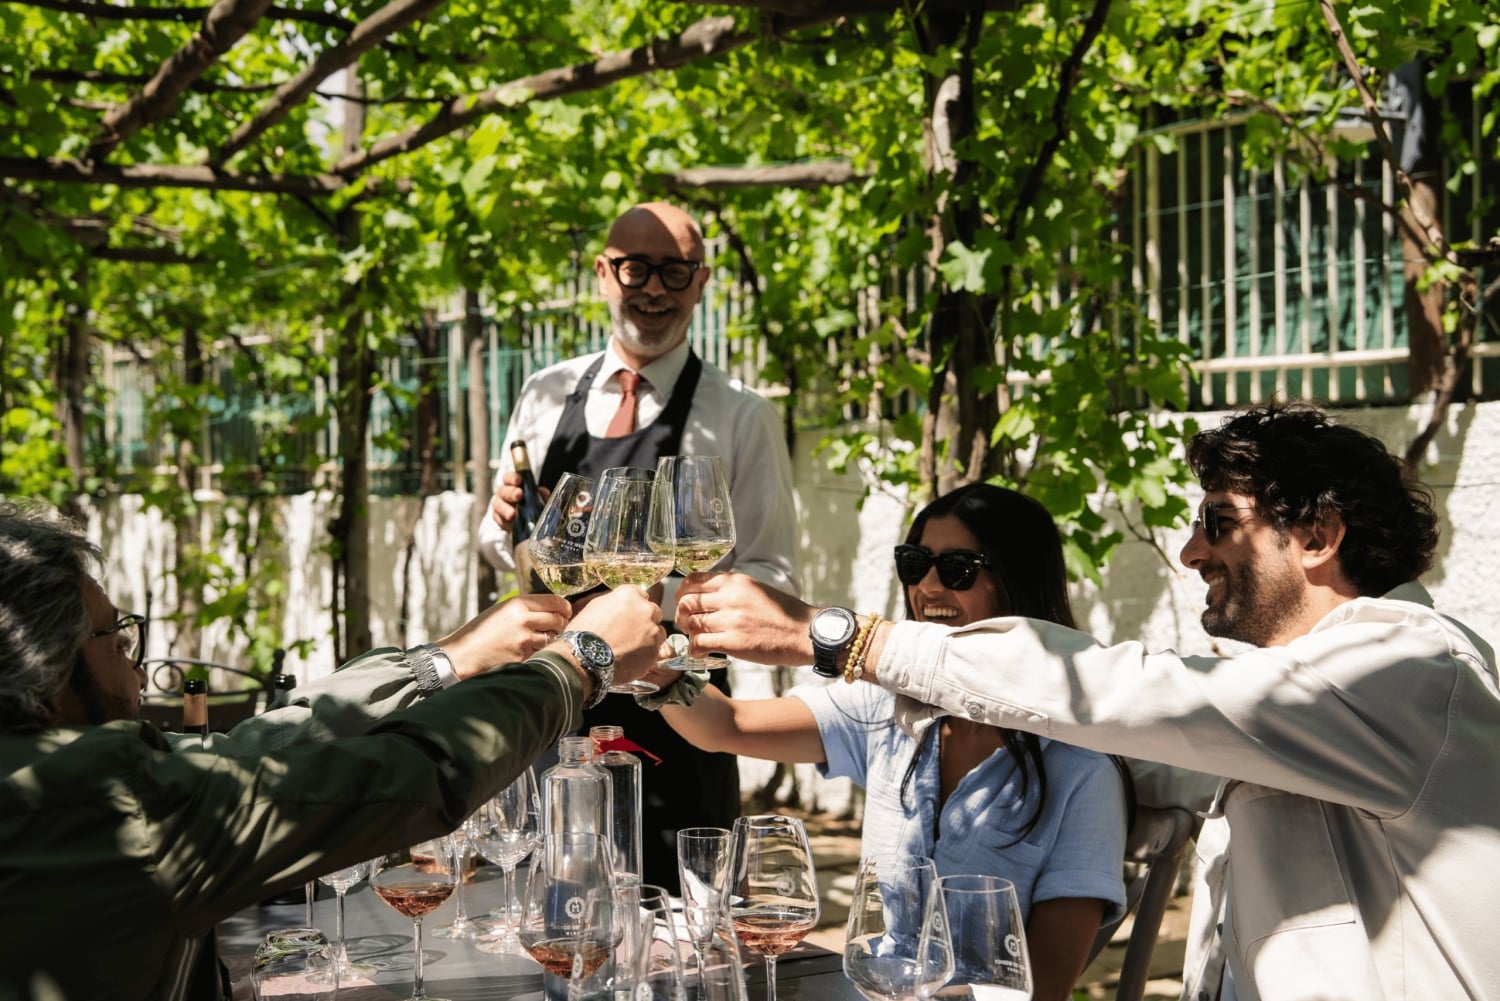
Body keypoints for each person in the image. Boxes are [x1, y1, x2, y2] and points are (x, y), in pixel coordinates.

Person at [673, 402, 1500, 1001]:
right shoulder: (1300, 699)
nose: (1190, 550)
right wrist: (650, 663)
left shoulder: (1409, 673)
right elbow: (1135, 724)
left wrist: (842, 638)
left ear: (1318, 536)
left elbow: (1125, 694)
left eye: (1218, 522)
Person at [0, 500, 664, 1001]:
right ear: (48, 668)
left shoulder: (42, 776)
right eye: (117, 639)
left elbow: (242, 753)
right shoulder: (108, 800)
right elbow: (410, 774)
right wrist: (580, 662)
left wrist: (438, 665)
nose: (137, 667)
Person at [647, 484, 1127, 1001]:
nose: (928, 586)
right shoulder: (887, 709)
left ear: (1019, 581)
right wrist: (657, 666)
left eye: (957, 568)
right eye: (915, 563)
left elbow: (1043, 989)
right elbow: (727, 726)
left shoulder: (1081, 771)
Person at [477, 201, 800, 891]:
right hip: (554, 703)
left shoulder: (742, 414)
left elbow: (772, 576)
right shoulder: (544, 392)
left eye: (674, 271)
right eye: (635, 268)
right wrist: (503, 524)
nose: (654, 288)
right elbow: (510, 546)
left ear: (701, 282)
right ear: (603, 273)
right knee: (552, 909)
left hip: (682, 713)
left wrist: (655, 608)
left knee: (683, 919)